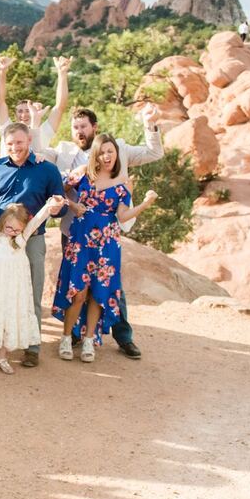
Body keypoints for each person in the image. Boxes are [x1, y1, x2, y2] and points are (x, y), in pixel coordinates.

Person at [33, 105, 163, 358]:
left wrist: (150, 124)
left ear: (95, 127)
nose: (79, 131)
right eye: (75, 127)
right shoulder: (66, 152)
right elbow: (41, 158)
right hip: (75, 232)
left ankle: (123, 337)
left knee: (107, 287)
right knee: (76, 286)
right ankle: (73, 334)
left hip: (106, 236)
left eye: (84, 126)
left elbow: (153, 152)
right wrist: (36, 124)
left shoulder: (118, 148)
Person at [0, 122, 66, 368]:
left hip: (32, 239)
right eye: (10, 143)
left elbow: (60, 207)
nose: (15, 147)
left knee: (30, 292)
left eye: (19, 142)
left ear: (29, 141)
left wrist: (58, 206)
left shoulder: (47, 169)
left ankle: (31, 347)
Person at [0, 190, 66, 376]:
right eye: (9, 228)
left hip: (14, 286)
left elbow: (39, 219)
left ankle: (3, 358)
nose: (12, 232)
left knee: (9, 316)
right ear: (3, 222)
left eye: (17, 230)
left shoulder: (22, 237)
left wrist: (50, 204)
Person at [0, 54, 72, 155]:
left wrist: (62, 73)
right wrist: (1, 72)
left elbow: (60, 107)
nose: (24, 114)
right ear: (15, 114)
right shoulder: (7, 129)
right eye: (20, 111)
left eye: (28, 110)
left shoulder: (44, 131)